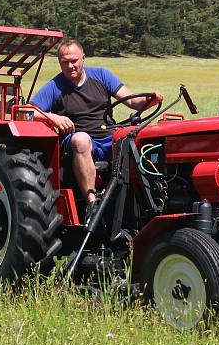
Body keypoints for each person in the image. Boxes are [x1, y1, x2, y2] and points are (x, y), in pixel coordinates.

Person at [31, 39, 163, 215]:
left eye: (74, 61)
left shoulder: (101, 76)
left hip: (108, 137)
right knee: (81, 139)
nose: (70, 66)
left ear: (83, 58)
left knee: (140, 136)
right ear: (59, 62)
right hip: (78, 141)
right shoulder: (55, 86)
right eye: (65, 62)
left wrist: (149, 101)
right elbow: (27, 112)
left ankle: (149, 197)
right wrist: (53, 117)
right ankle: (92, 204)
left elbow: (132, 100)